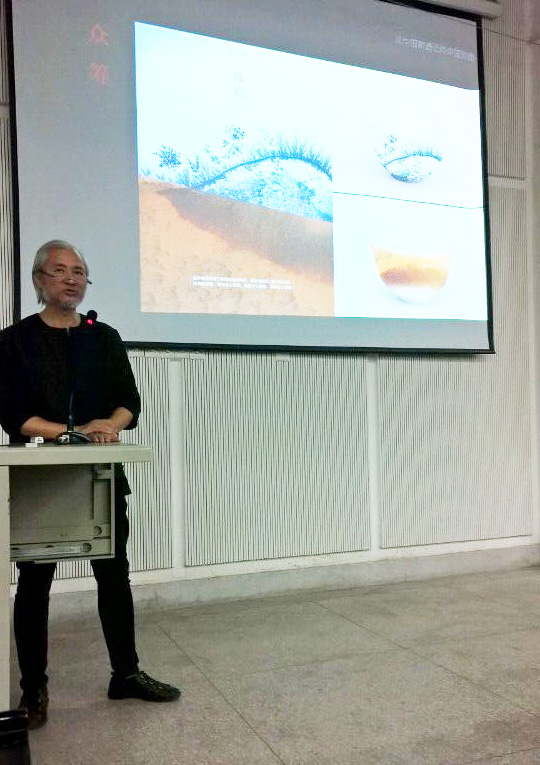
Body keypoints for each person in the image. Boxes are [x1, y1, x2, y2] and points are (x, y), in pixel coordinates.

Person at [0, 240, 180, 730]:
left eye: (79, 271)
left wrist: (109, 425)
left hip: (101, 472)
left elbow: (130, 403)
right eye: (60, 271)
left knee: (113, 573)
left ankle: (126, 674)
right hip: (41, 476)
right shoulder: (14, 341)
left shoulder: (104, 337)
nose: (71, 279)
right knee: (35, 581)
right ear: (39, 280)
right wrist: (70, 432)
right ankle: (33, 688)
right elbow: (13, 415)